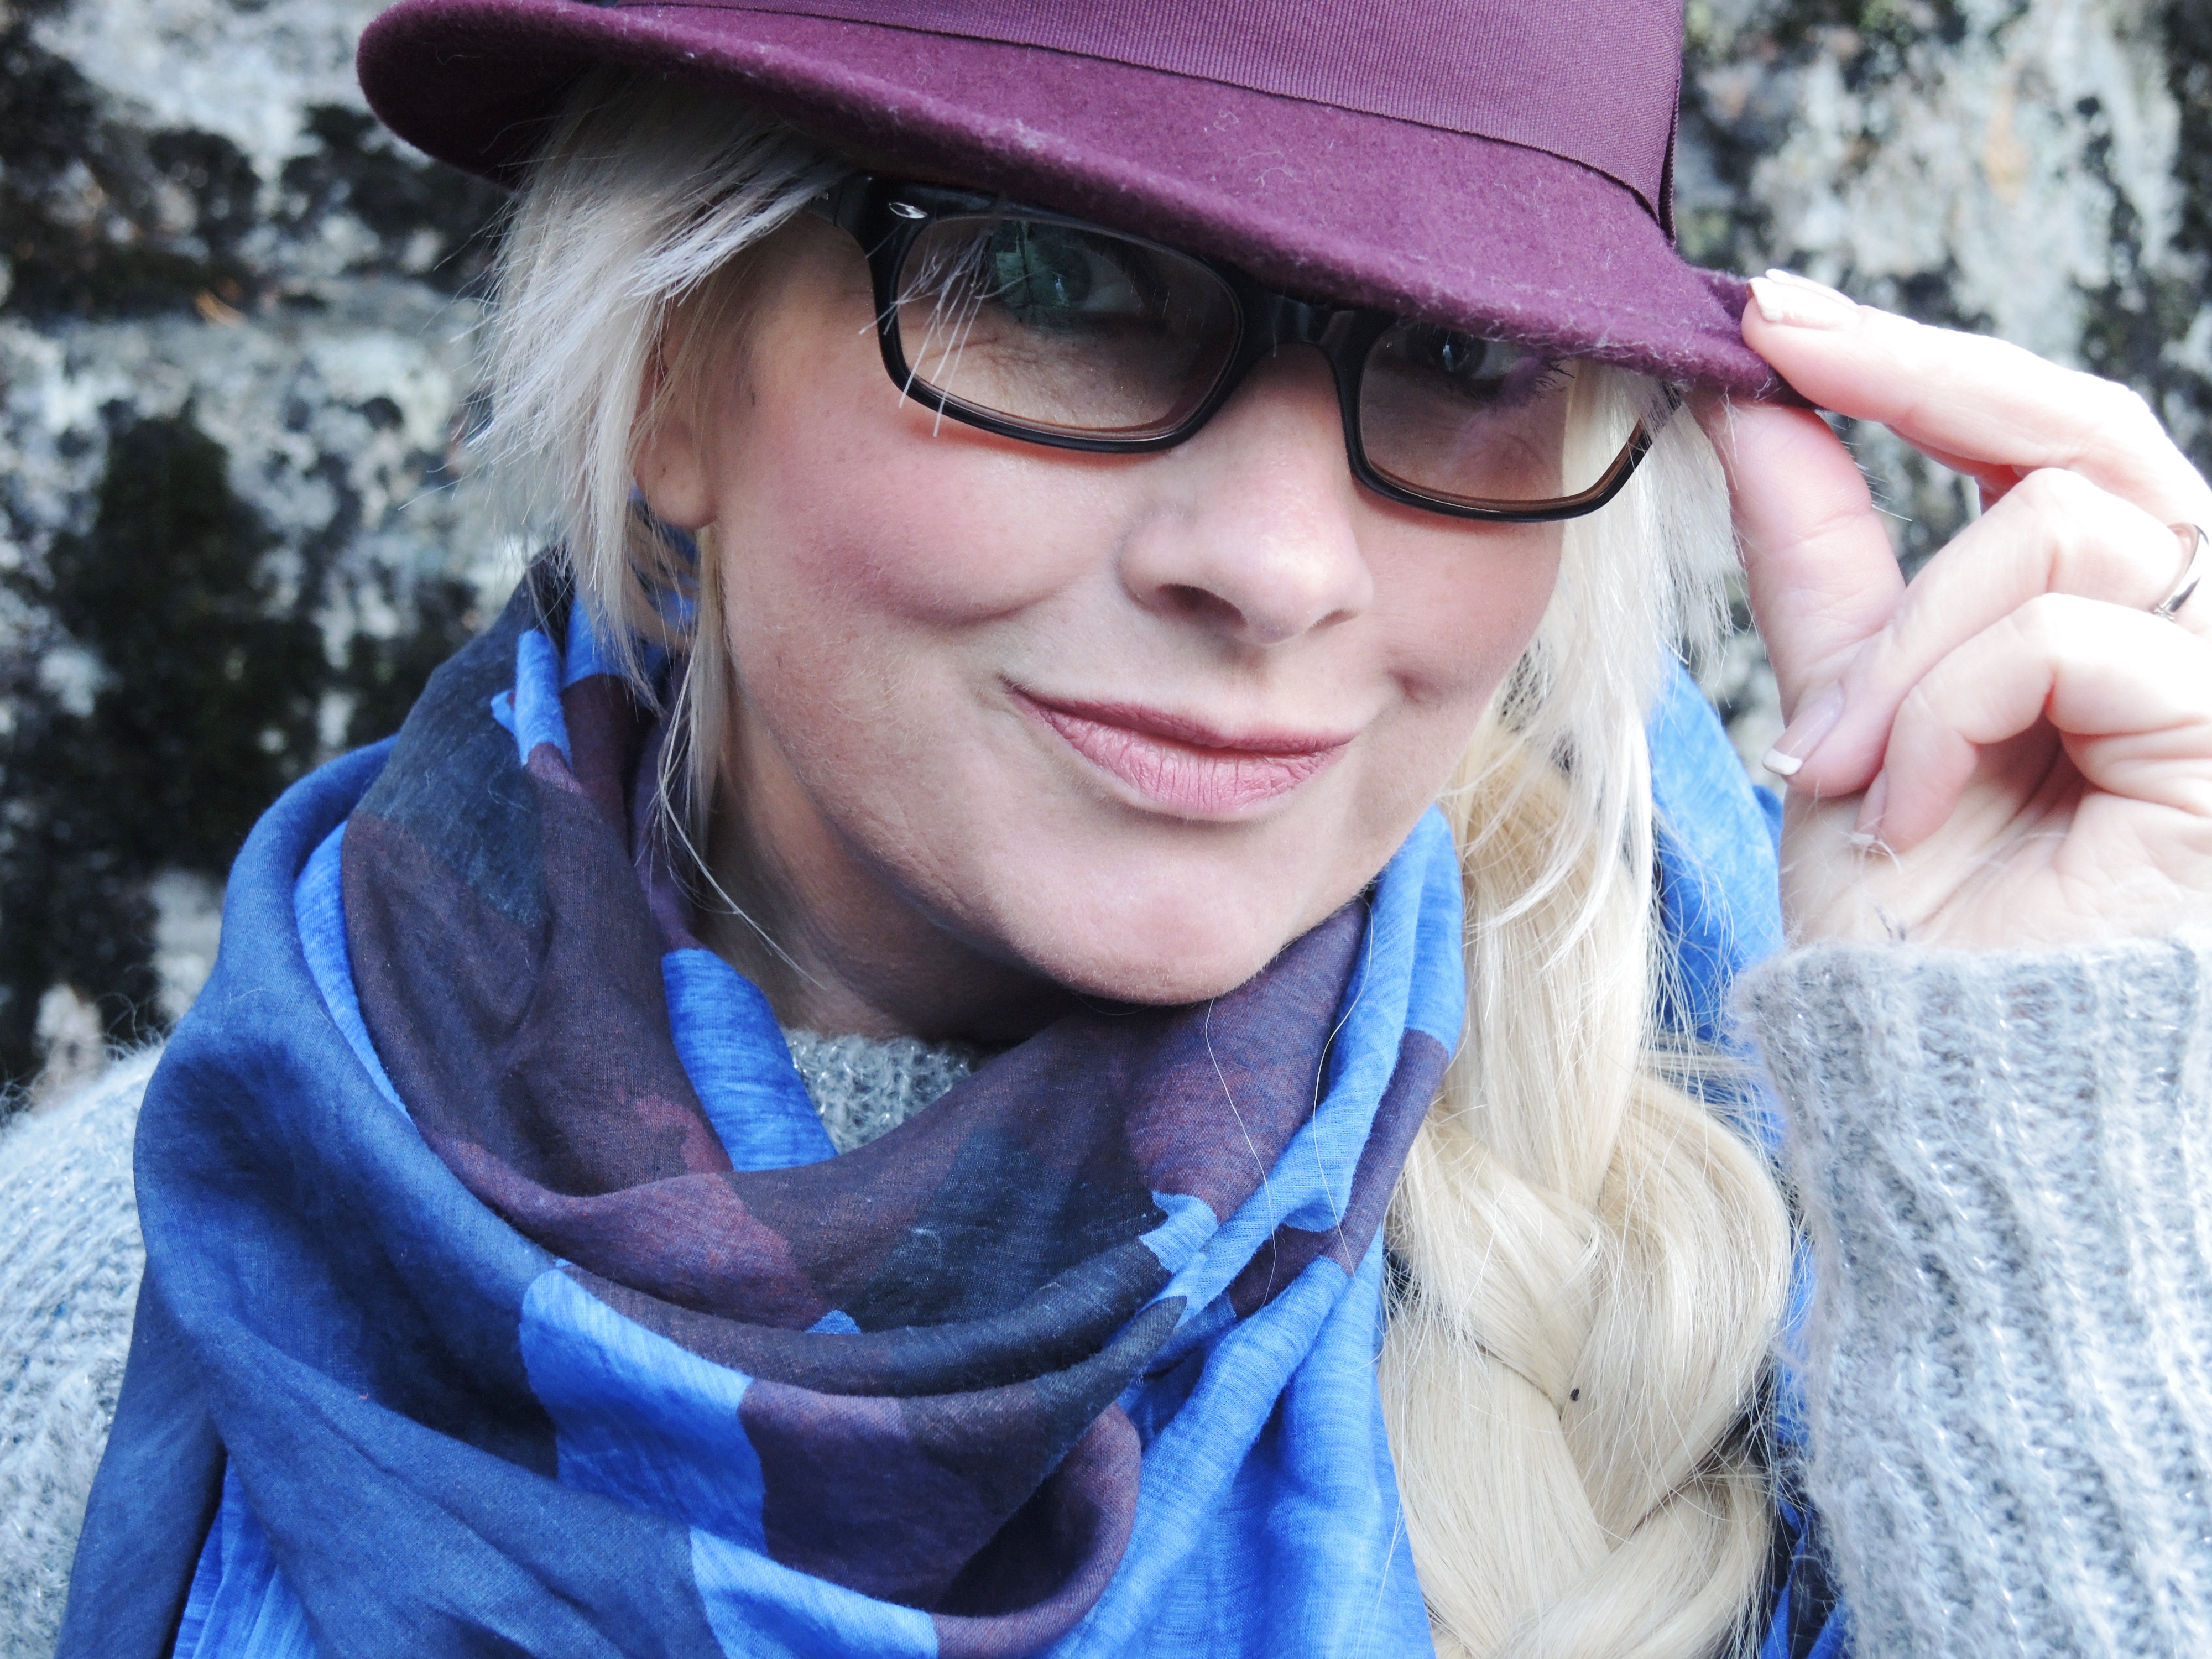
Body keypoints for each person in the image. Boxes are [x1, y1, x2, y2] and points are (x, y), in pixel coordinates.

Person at [4, 0, 2210, 1655]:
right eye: (1056, 282)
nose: (1277, 567)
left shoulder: (1858, 1278)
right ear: (672, 370)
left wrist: (2037, 1212)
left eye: (1461, 353)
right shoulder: (95, 1318)